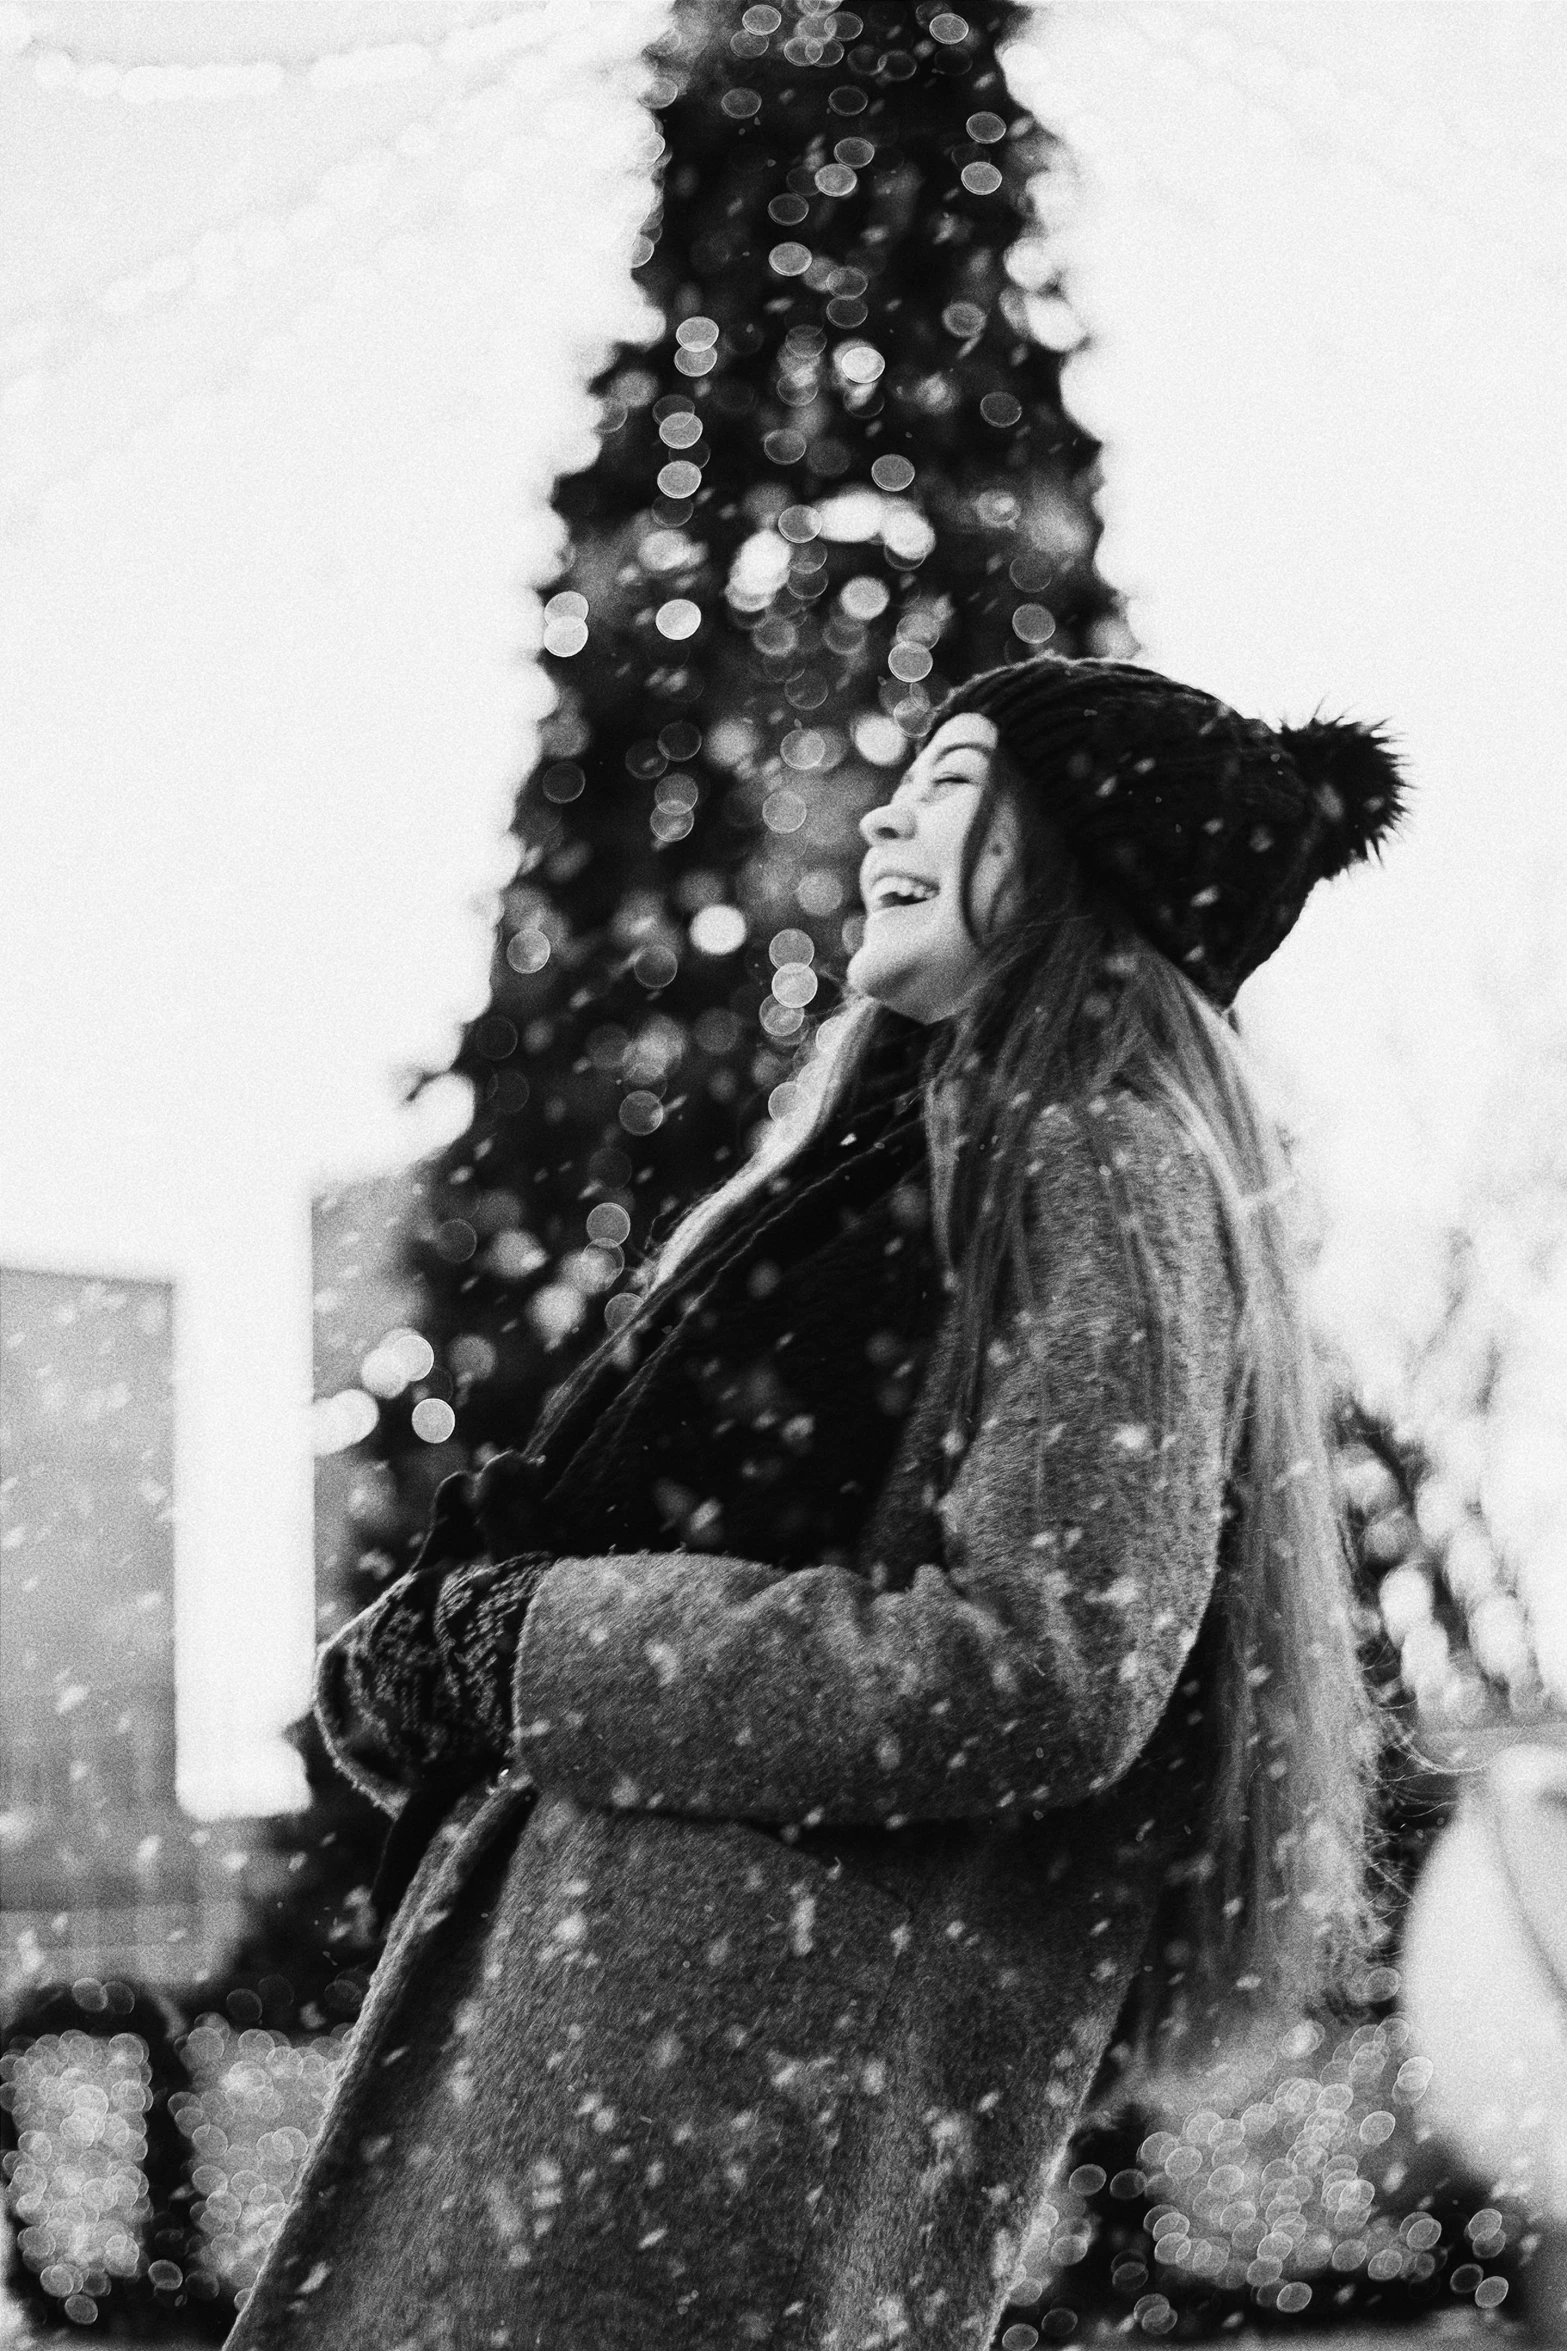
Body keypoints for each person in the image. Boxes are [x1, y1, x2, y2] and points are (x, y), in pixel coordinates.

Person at [230, 651, 1405, 2351]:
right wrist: (451, 1648)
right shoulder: (886, 1165)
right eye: (902, 785)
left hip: (714, 2108)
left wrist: (527, 1643)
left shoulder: (1089, 1152)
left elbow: (1044, 1663)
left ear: (1088, 849)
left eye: (955, 787)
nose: (887, 824)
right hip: (638, 2075)